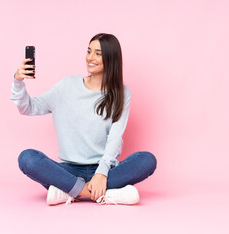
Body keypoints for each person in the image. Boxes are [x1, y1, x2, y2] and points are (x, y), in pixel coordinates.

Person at [11, 33, 157, 206]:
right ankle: (102, 194)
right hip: (67, 170)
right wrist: (18, 81)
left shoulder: (122, 93)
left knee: (147, 160)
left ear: (111, 58)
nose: (90, 57)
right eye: (89, 51)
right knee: (27, 158)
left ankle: (69, 191)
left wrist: (101, 173)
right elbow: (28, 107)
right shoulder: (67, 86)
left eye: (98, 53)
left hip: (105, 169)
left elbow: (115, 137)